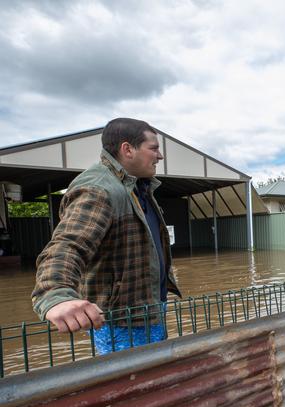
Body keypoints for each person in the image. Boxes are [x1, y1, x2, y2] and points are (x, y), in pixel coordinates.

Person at [32, 117, 181, 354]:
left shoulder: (137, 187)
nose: (159, 156)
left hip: (148, 311)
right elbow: (68, 246)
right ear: (127, 149)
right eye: (154, 148)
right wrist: (56, 294)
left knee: (153, 378)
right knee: (132, 383)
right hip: (122, 322)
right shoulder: (99, 188)